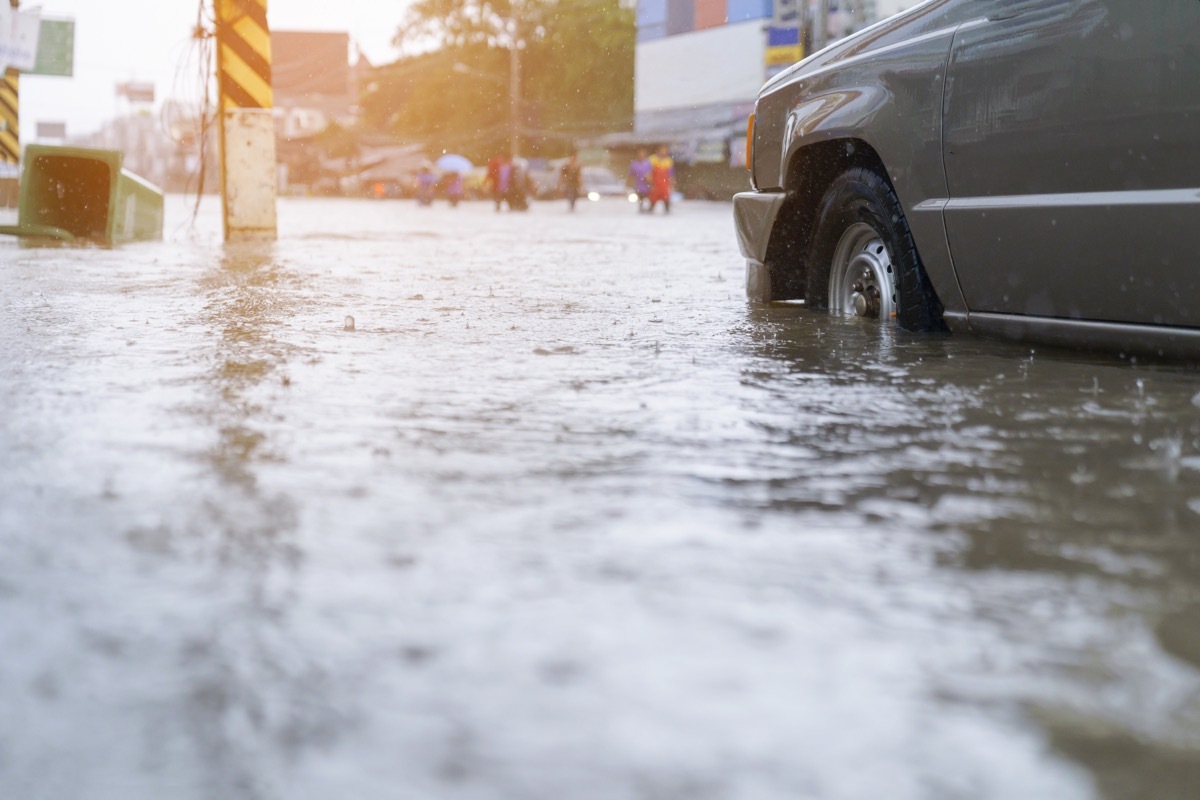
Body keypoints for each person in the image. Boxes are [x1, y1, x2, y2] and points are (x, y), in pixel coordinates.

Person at [647, 144, 674, 214]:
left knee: (666, 197)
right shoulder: (652, 159)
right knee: (653, 198)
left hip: (664, 183)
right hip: (655, 182)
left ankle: (667, 211)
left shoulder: (668, 160)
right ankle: (650, 210)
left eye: (665, 151)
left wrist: (671, 183)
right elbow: (648, 172)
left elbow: (670, 174)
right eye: (663, 150)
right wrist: (650, 182)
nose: (664, 152)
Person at [628, 148, 652, 213]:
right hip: (639, 185)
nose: (641, 155)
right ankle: (641, 210)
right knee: (641, 199)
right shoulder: (634, 164)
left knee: (650, 199)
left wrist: (649, 179)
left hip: (648, 185)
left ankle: (649, 210)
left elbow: (652, 173)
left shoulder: (648, 163)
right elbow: (631, 175)